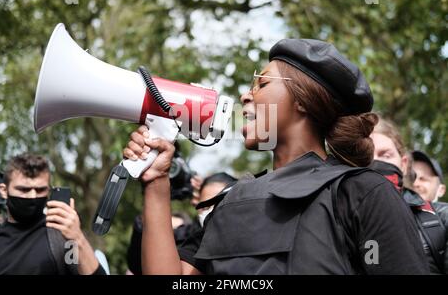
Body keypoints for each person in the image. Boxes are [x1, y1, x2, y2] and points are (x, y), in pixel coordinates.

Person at [124, 39, 429, 274]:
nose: (246, 95)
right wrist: (156, 181)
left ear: (304, 100)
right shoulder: (229, 203)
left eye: (262, 83)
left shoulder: (361, 192)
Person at [0, 154, 105, 275]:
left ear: (49, 190)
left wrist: (78, 238)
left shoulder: (61, 236)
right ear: (4, 191)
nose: (32, 196)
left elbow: (81, 267)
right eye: (24, 189)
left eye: (40, 190)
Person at [370, 117, 447, 274]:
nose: (375, 163)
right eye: (366, 157)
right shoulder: (338, 222)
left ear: (403, 164)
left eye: (385, 155)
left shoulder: (441, 217)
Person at [126, 172, 236, 275]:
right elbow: (140, 264)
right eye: (206, 206)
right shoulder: (191, 240)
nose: (211, 212)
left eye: (218, 205)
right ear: (197, 205)